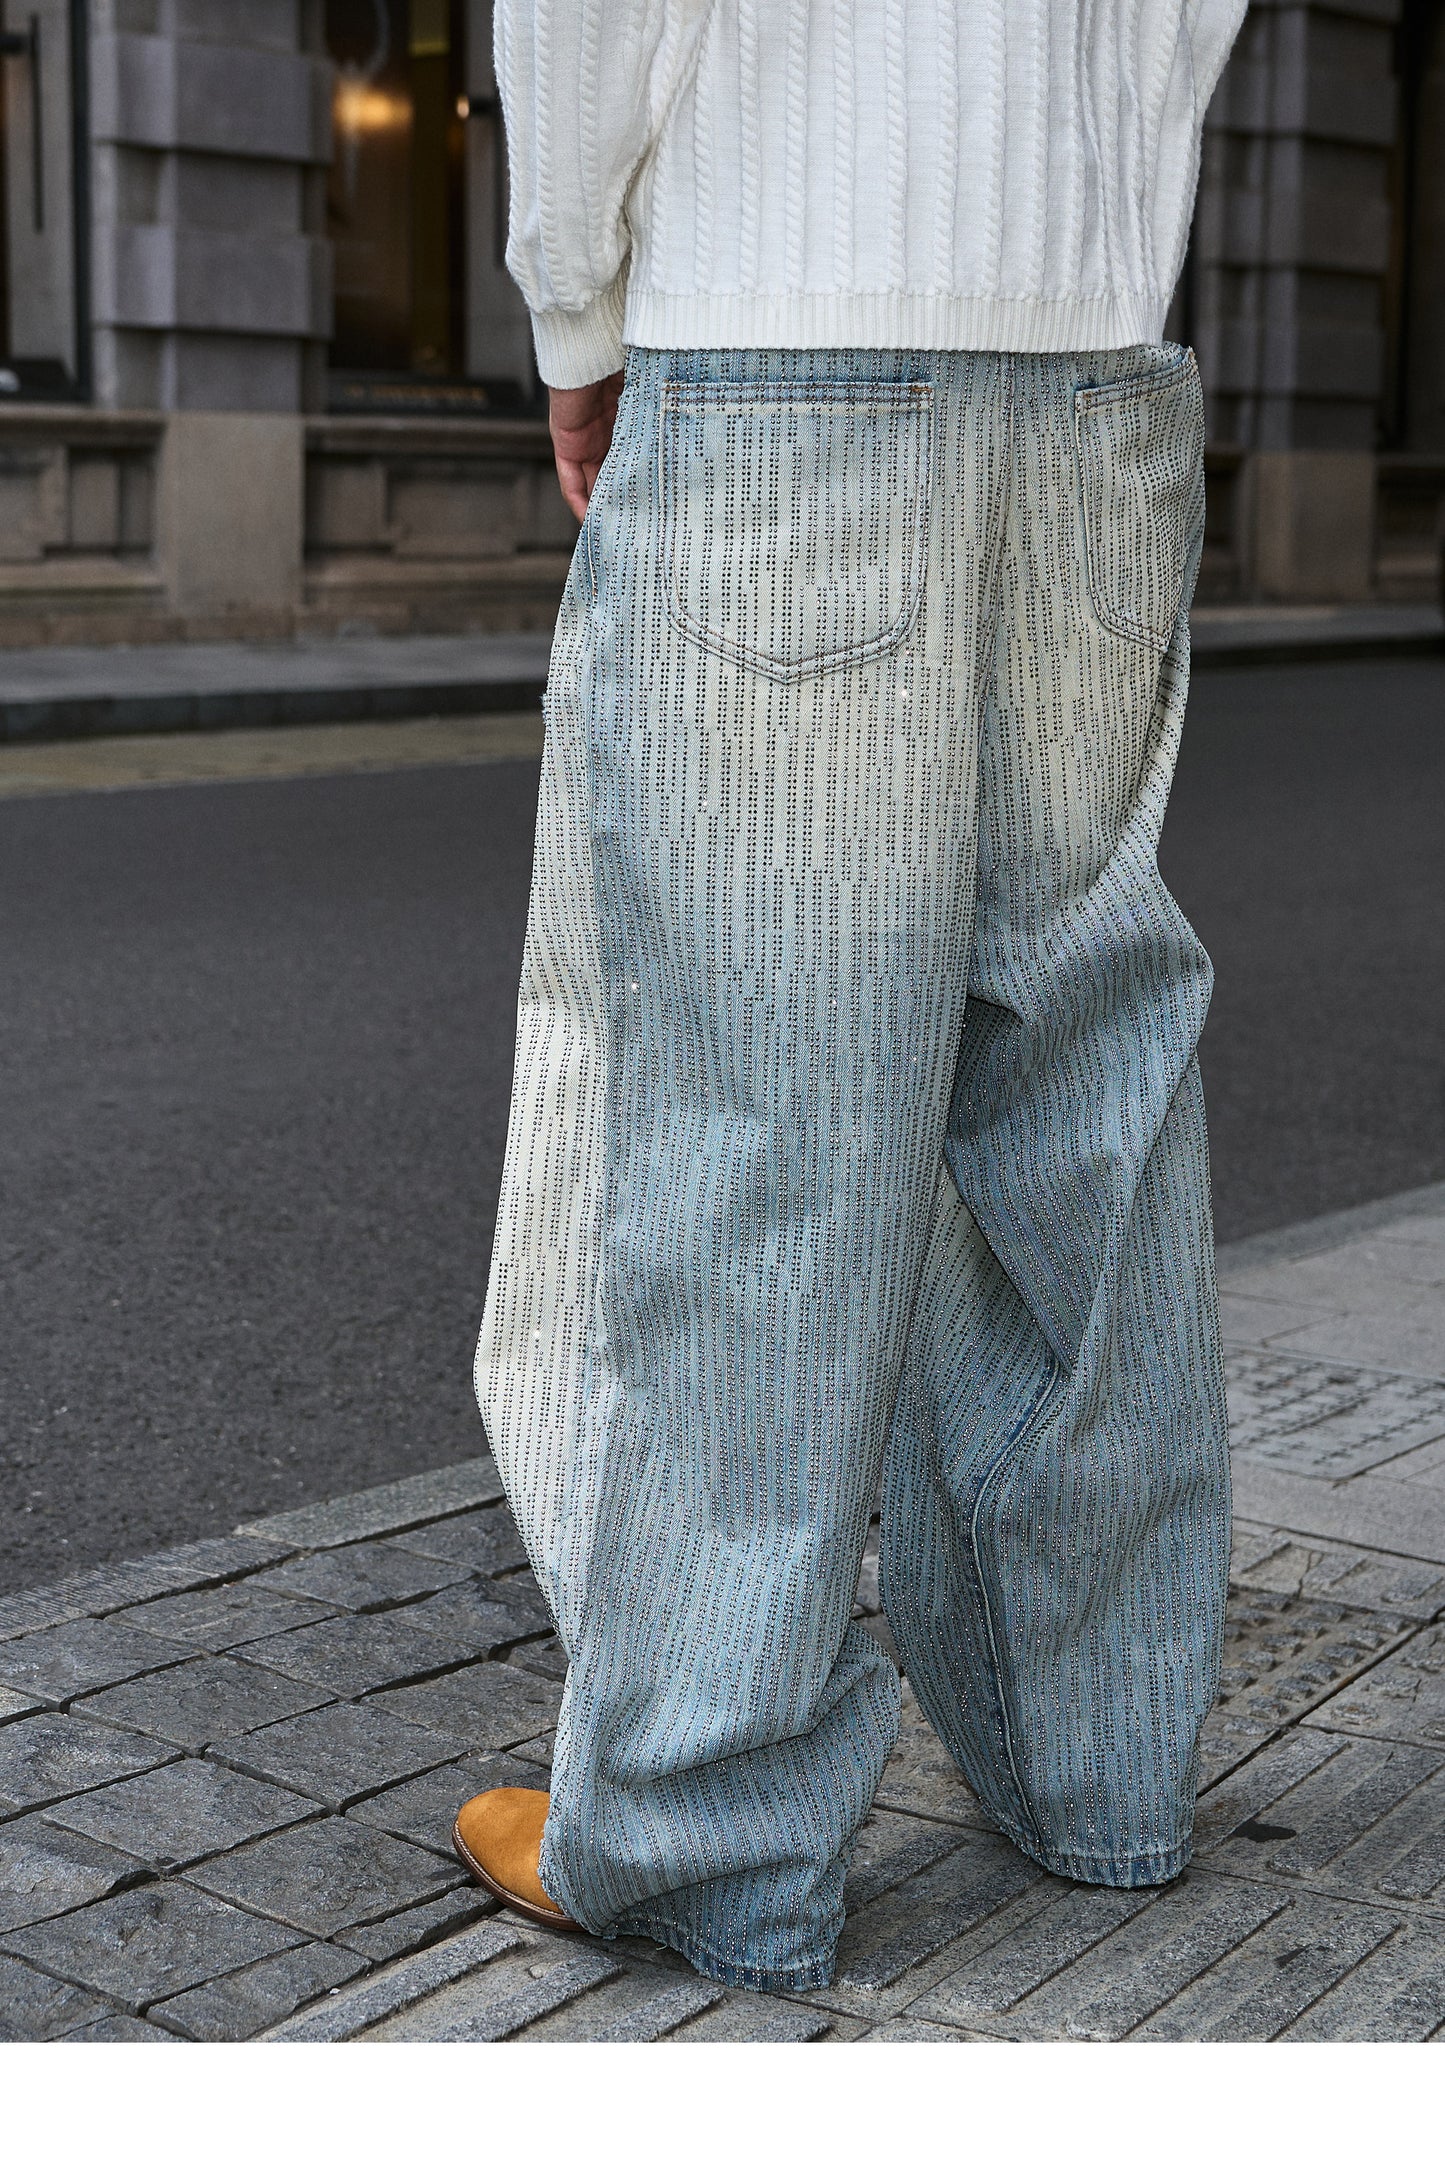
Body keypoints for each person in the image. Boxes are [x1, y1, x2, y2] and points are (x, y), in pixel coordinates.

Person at [451, 0, 1248, 1995]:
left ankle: (712, 1833)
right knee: (1082, 1084)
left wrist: (575, 307)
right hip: (1095, 368)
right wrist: (1100, 247)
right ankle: (1102, 1767)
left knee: (758, 1112)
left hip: (776, 333)